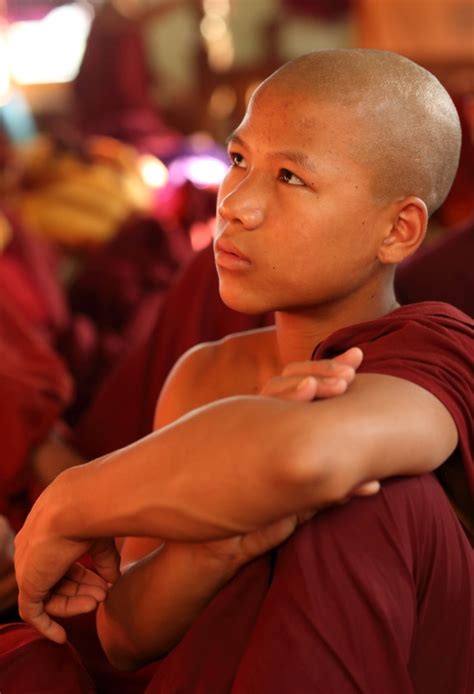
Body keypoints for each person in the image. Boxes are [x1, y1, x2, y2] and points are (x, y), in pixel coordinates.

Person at [13, 49, 473, 692]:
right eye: (238, 161)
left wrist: (70, 502)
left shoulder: (436, 352)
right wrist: (217, 542)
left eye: (289, 178)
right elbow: (125, 637)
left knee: (365, 492)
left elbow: (304, 458)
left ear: (398, 229)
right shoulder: (207, 372)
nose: (236, 205)